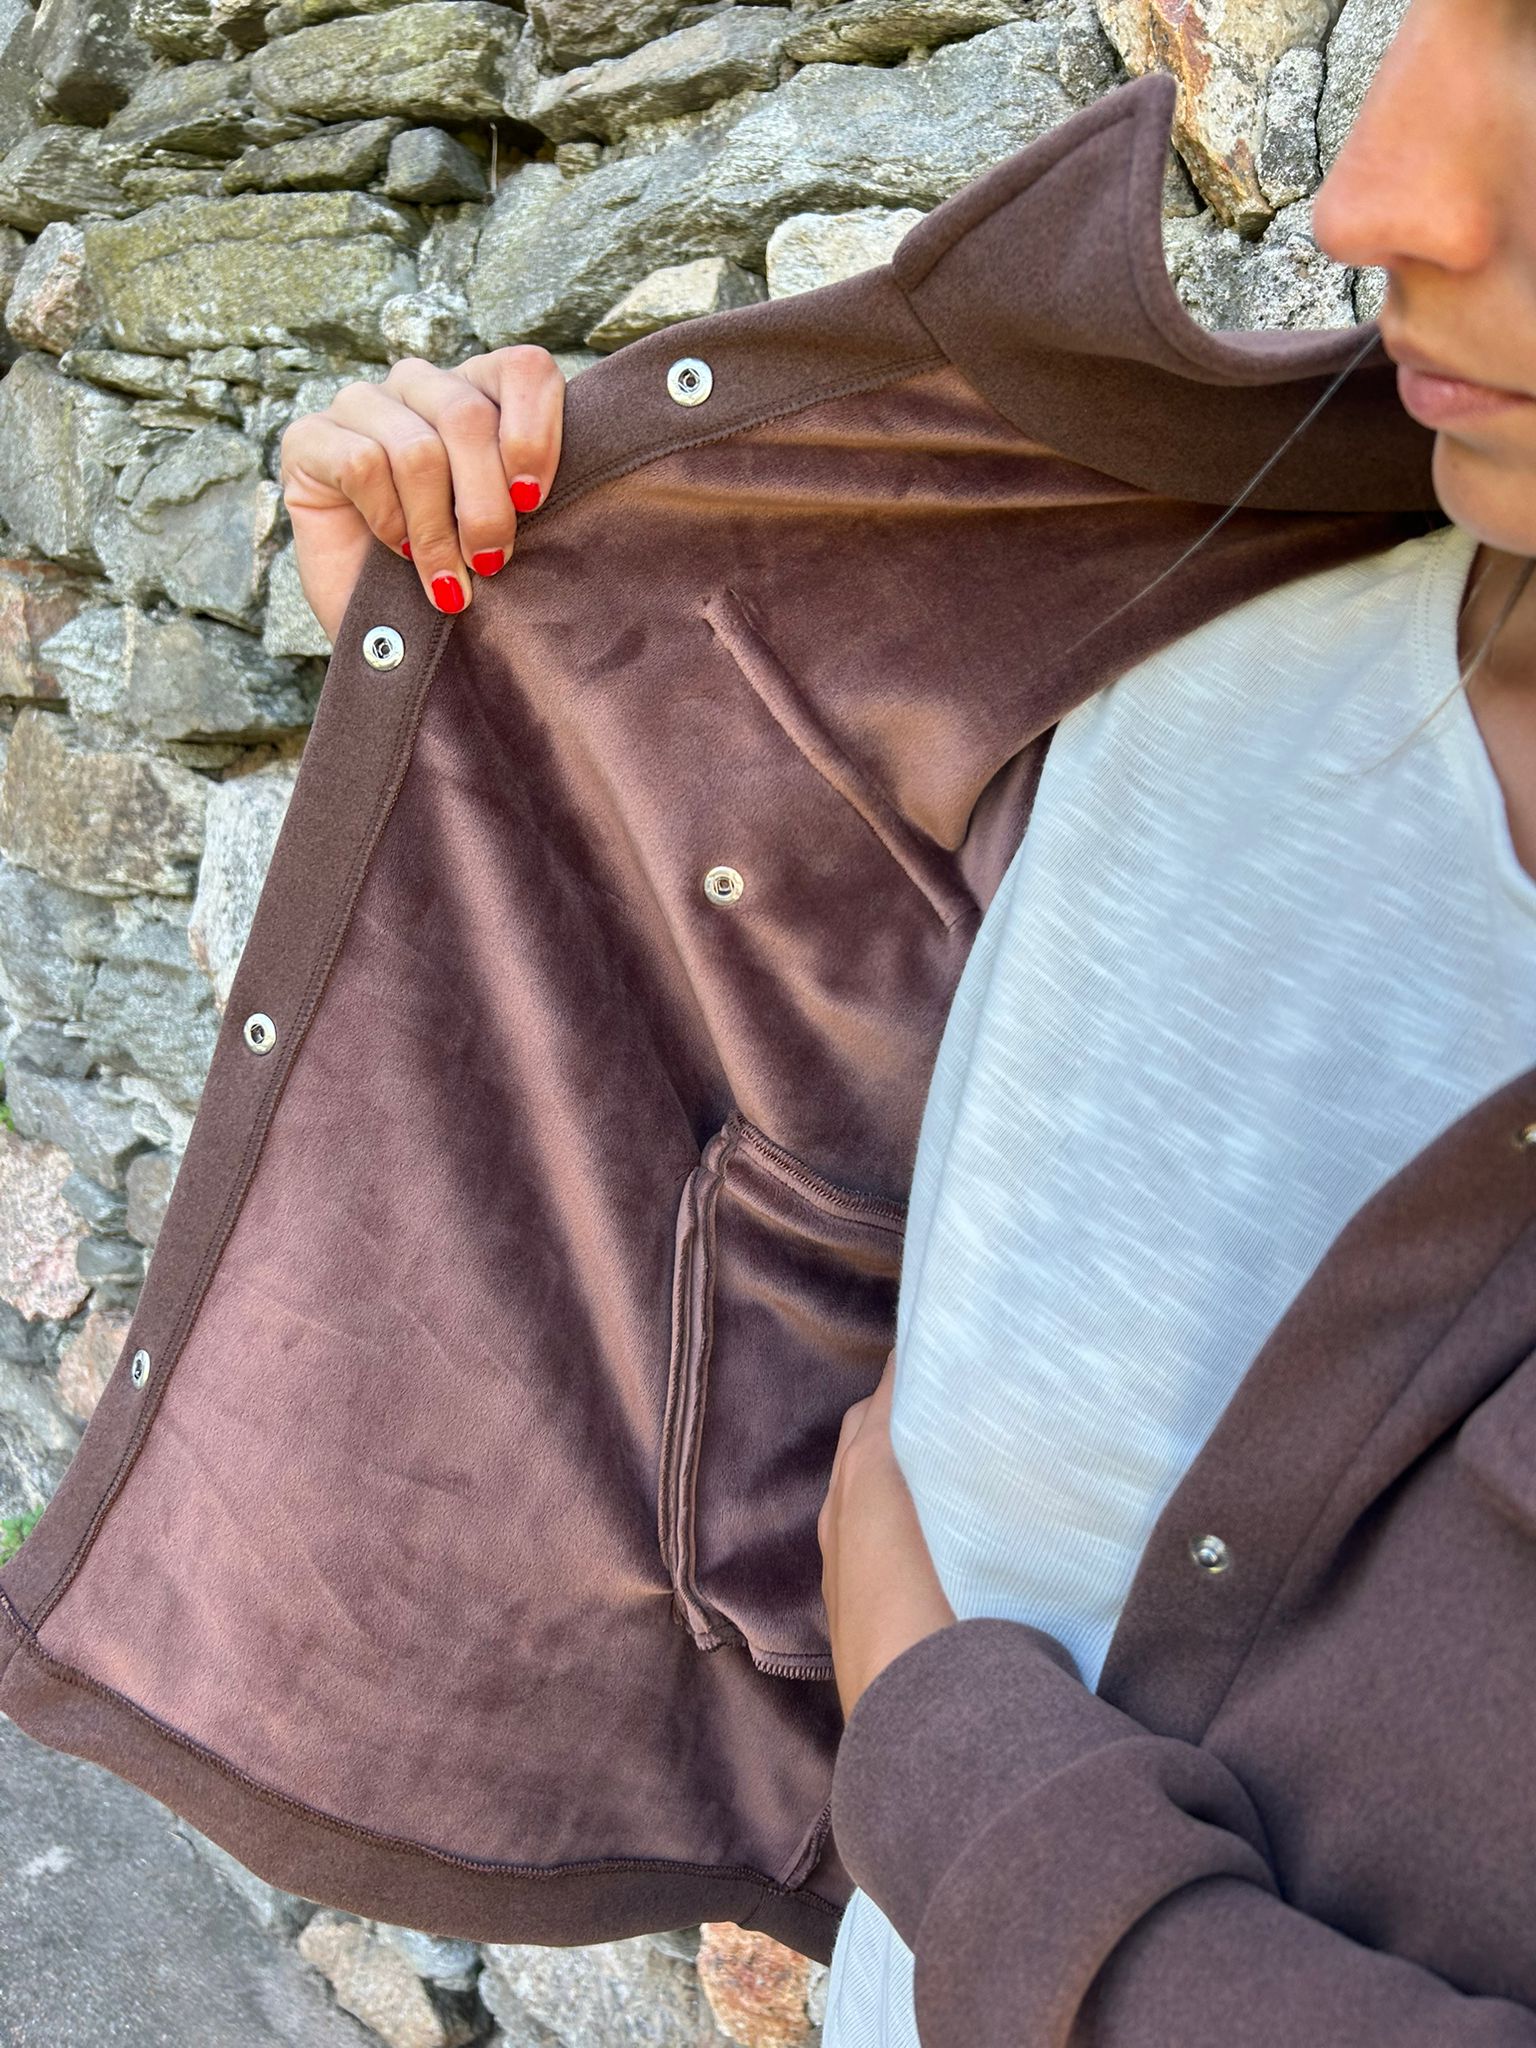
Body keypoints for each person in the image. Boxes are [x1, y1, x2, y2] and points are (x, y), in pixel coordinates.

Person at [279, 0, 1536, 2037]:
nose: (1368, 201)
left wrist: (962, 1756)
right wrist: (484, 679)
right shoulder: (1166, 637)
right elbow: (722, 1074)